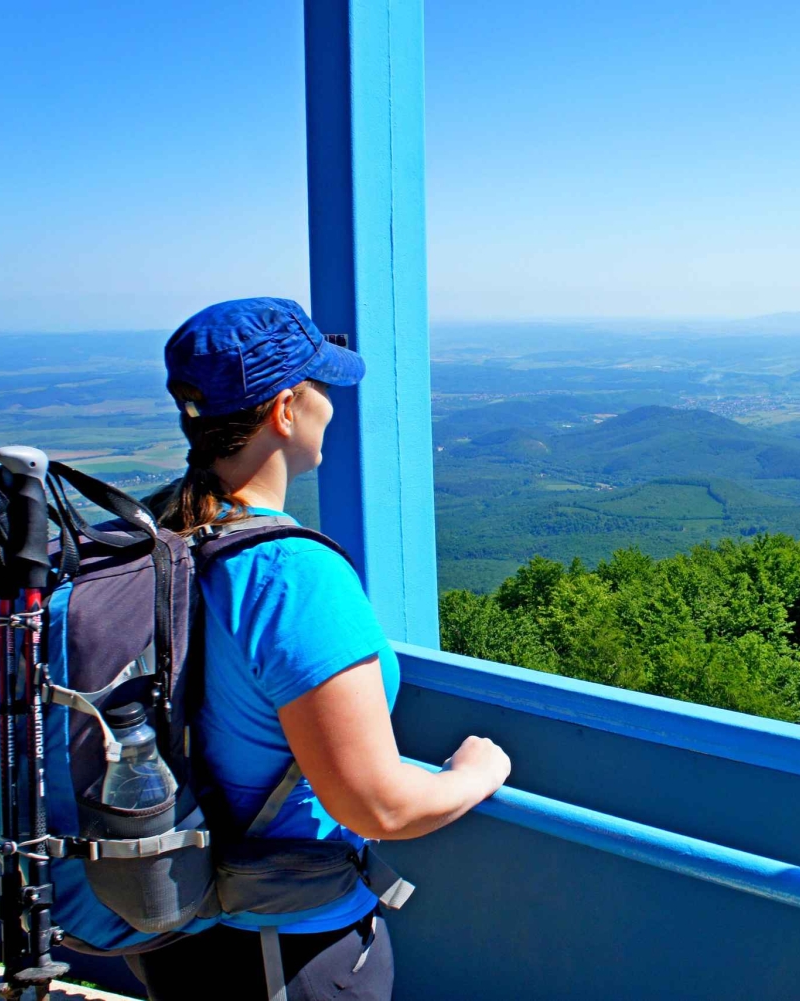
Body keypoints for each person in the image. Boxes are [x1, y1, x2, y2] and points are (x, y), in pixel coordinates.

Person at [128, 297, 511, 1001]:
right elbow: (379, 807)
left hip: (167, 923)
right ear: (284, 409)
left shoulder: (152, 541)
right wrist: (476, 773)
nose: (331, 406)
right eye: (321, 387)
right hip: (288, 945)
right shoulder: (293, 576)